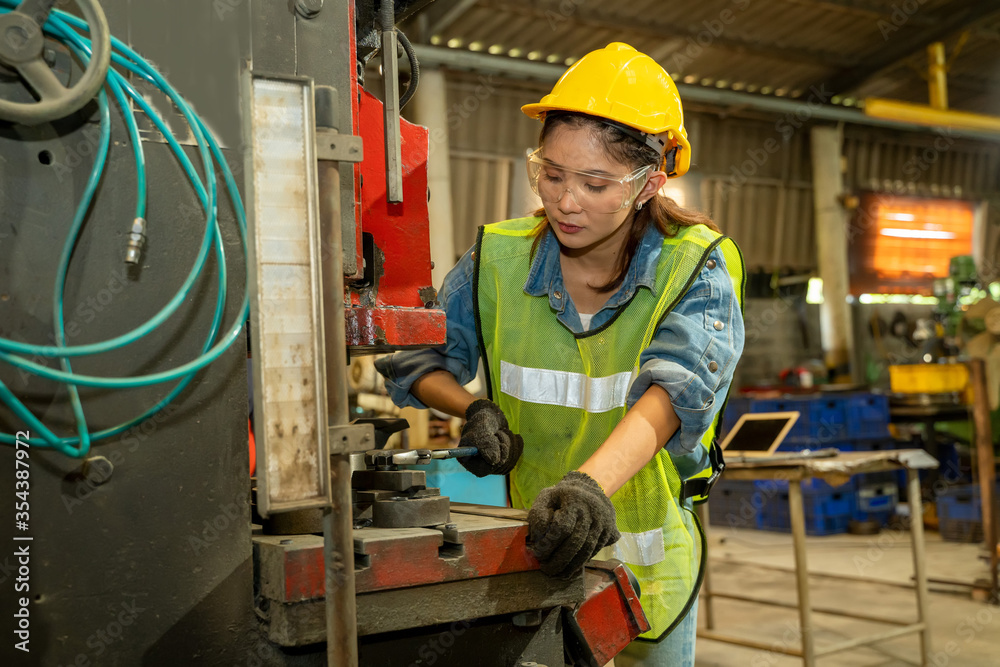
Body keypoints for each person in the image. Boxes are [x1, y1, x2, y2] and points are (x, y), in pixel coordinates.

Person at [375, 42, 745, 666]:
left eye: (595, 183)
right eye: (551, 174)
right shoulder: (498, 258)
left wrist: (585, 489)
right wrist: (469, 409)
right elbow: (416, 358)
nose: (565, 201)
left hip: (645, 584)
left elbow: (676, 392)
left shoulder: (696, 265)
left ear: (649, 182)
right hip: (536, 566)